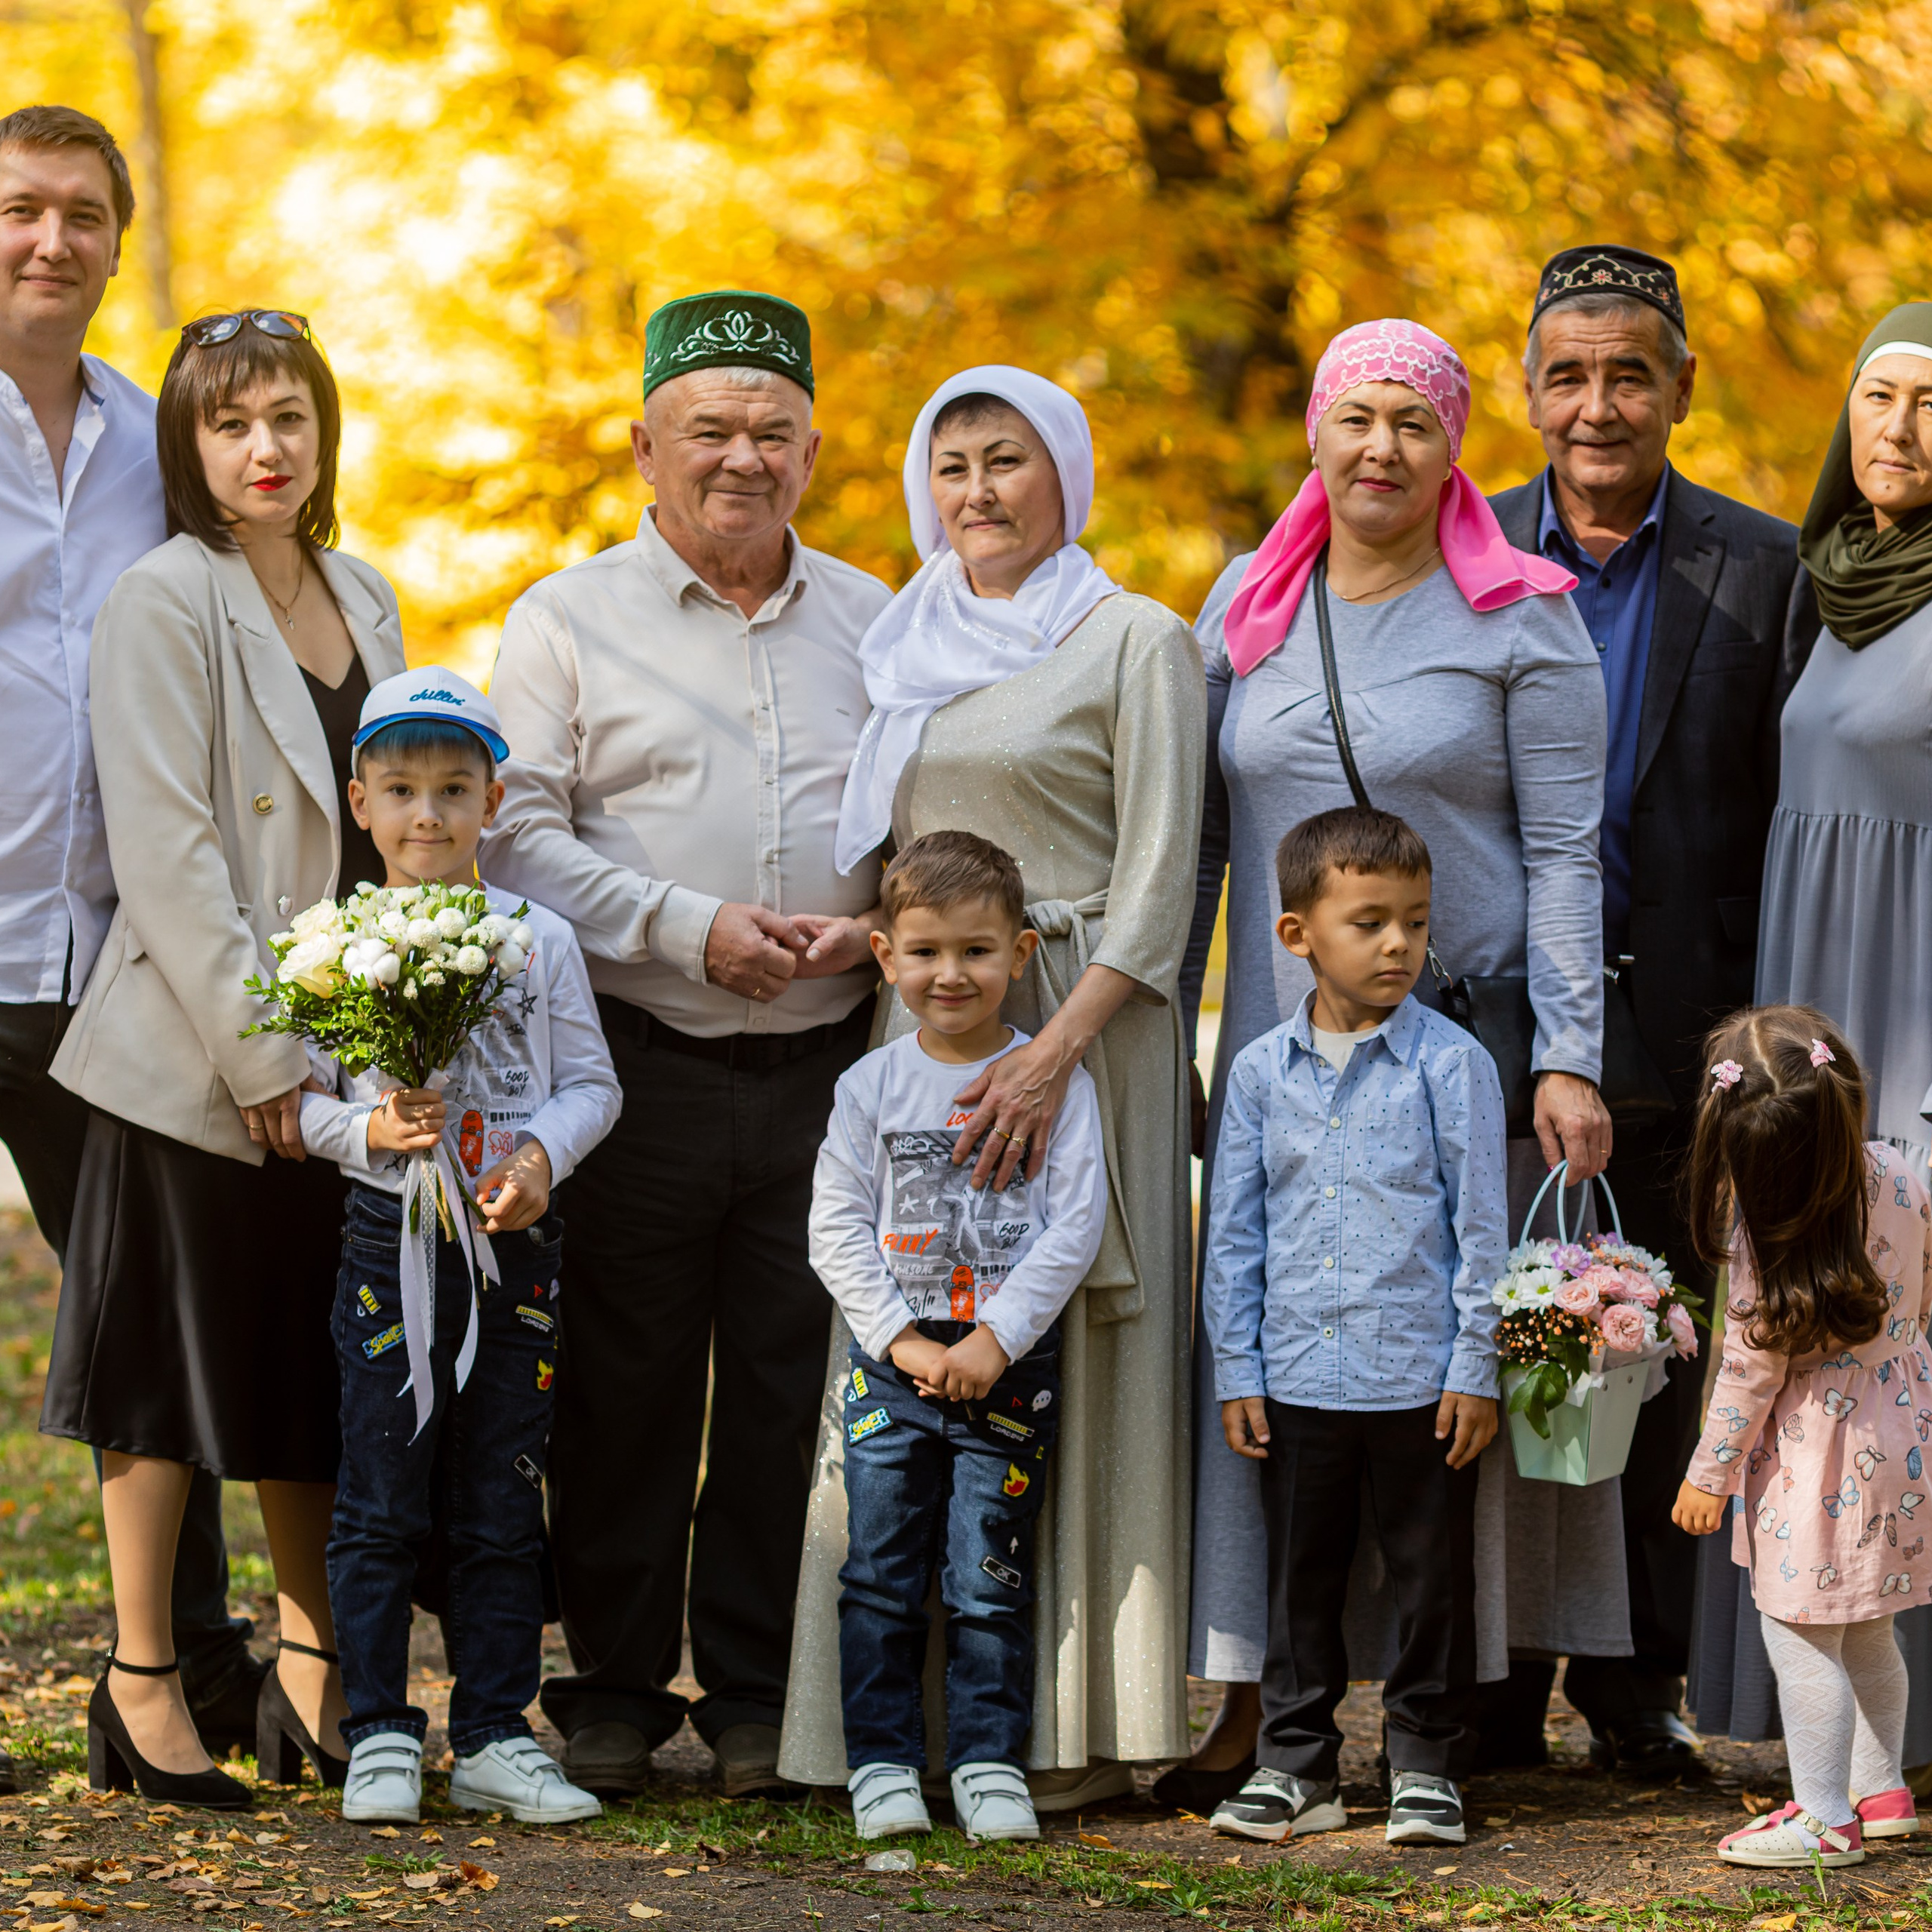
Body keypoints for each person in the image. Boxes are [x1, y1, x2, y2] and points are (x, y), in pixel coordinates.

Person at [1171, 317, 1611, 1814]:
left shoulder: (1521, 616)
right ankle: (1265, 1715)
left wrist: (1566, 1051)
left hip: (1458, 1047)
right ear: (1312, 433)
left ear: (1453, 446)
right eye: (1353, 418)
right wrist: (1174, 1019)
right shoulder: (1244, 603)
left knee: (1434, 1366)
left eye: (1411, 423)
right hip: (1276, 1055)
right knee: (1286, 1356)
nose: (1379, 448)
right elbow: (1203, 843)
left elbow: (1561, 846)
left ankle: (1448, 1716)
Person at [482, 290, 891, 1798]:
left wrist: (883, 928)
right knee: (623, 1378)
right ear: (646, 444)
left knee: (792, 1376)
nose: (741, 456)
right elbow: (517, 833)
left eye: (771, 429)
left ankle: (755, 1687)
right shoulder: (564, 617)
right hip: (633, 1060)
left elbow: (919, 822)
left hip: (830, 1066)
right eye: (708, 428)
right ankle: (607, 1681)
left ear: (812, 448)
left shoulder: (877, 617)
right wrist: (684, 923)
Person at [780, 365, 1205, 1805]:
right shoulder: (911, 645)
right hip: (938, 1052)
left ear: (1064, 475)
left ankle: (1066, 1729)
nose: (978, 491)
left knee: (1064, 1346)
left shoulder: (1137, 637)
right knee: (902, 1363)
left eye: (1007, 459)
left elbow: (1159, 878)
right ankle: (884, 1737)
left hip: (1089, 1034)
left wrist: (1055, 1046)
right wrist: (870, 946)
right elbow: (924, 859)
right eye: (951, 464)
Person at [39, 309, 406, 1804]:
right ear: (189, 447)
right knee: (163, 1381)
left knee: (309, 1371)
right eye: (231, 422)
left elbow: (399, 814)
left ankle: (313, 1666)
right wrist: (265, 1058)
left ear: (323, 437)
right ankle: (139, 1681)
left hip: (343, 1059)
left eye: (290, 420)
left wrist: (388, 1039)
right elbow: (171, 849)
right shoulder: (161, 596)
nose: (266, 448)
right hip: (200, 1055)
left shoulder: (366, 592)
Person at [1484, 248, 1804, 1777]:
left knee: (1660, 1352)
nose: (1595, 404)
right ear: (1526, 389)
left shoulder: (1762, 564)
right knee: (1516, 1339)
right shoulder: (1460, 547)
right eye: (1566, 373)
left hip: (1695, 1021)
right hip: (1500, 1026)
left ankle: (1636, 1678)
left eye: (1627, 373)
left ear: (1677, 385)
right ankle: (1491, 1672)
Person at [0, 103, 261, 1786]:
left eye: (84, 215)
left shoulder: (151, 438)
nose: (50, 240)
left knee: (154, 1312)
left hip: (106, 955)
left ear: (118, 235)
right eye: (22, 208)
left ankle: (181, 1666)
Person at [295, 669, 620, 1825]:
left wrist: (538, 1162)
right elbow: (307, 1111)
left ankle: (493, 1731)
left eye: (452, 788)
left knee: (500, 1494)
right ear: (360, 802)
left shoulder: (540, 941)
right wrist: (368, 1132)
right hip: (388, 1242)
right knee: (382, 1494)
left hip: (510, 1247)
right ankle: (380, 1726)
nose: (426, 813)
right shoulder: (332, 946)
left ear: (493, 799)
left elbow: (591, 1085)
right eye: (401, 789)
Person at [1718, 303, 1932, 1775]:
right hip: (1810, 1008)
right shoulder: (1820, 584)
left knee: (1900, 1347)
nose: (1897, 431)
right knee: (1799, 1343)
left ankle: (1894, 1748)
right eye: (1875, 394)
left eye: (1930, 403)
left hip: (1914, 1016)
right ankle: (1829, 1741)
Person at [1204, 807, 1507, 1848]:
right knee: (1301, 1582)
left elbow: (1482, 1231)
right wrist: (1237, 1367)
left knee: (1431, 1583)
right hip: (1294, 1376)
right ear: (1298, 936)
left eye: (1415, 924)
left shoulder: (1453, 1064)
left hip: (1422, 1381)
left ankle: (1424, 1760)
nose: (1398, 946)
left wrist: (1477, 1366)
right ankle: (1296, 1764)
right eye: (1370, 922)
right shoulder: (1255, 1074)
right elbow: (1233, 1236)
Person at [809, 831, 1106, 1843]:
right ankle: (883, 1763)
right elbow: (835, 1225)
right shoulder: (871, 1090)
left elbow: (1075, 1225)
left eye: (977, 951)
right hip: (893, 1366)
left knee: (991, 1574)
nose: (951, 974)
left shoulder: (1053, 1081)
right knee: (881, 1572)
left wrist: (997, 1341)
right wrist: (899, 1340)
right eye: (926, 951)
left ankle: (987, 1762)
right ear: (885, 957)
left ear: (1022, 955)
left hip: (1004, 1368)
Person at [1675, 1007, 1925, 1869]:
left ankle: (1823, 1816)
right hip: (1903, 1441)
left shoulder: (1758, 1232)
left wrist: (1708, 1475)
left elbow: (1747, 1375)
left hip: (1815, 1463)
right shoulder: (1898, 1171)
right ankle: (1881, 1789)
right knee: (1867, 1630)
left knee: (1800, 1634)